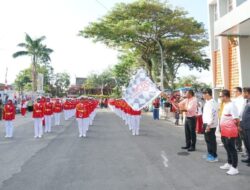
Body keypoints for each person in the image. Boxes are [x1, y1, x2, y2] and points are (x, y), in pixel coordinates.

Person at [219, 89, 240, 175]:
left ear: (226, 96)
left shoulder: (232, 105)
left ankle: (234, 167)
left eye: (221, 96)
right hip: (224, 130)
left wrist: (237, 128)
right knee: (227, 147)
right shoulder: (225, 104)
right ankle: (229, 163)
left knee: (232, 149)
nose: (220, 98)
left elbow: (237, 119)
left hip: (230, 131)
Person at [202, 88, 219, 162]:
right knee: (209, 140)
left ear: (207, 94)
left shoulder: (210, 103)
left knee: (210, 140)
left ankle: (213, 156)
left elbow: (212, 114)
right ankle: (210, 153)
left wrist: (208, 125)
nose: (203, 96)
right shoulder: (212, 102)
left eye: (204, 94)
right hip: (210, 123)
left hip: (209, 124)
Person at [232, 87, 246, 152]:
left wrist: (237, 119)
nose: (233, 93)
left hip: (239, 119)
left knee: (242, 135)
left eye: (235, 91)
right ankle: (238, 147)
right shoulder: (235, 99)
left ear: (239, 92)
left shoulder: (241, 100)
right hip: (236, 119)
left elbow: (240, 110)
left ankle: (245, 150)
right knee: (237, 134)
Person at [240, 87, 250, 166]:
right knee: (247, 144)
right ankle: (249, 158)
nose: (242, 94)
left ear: (247, 93)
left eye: (243, 92)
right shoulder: (246, 101)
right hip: (244, 126)